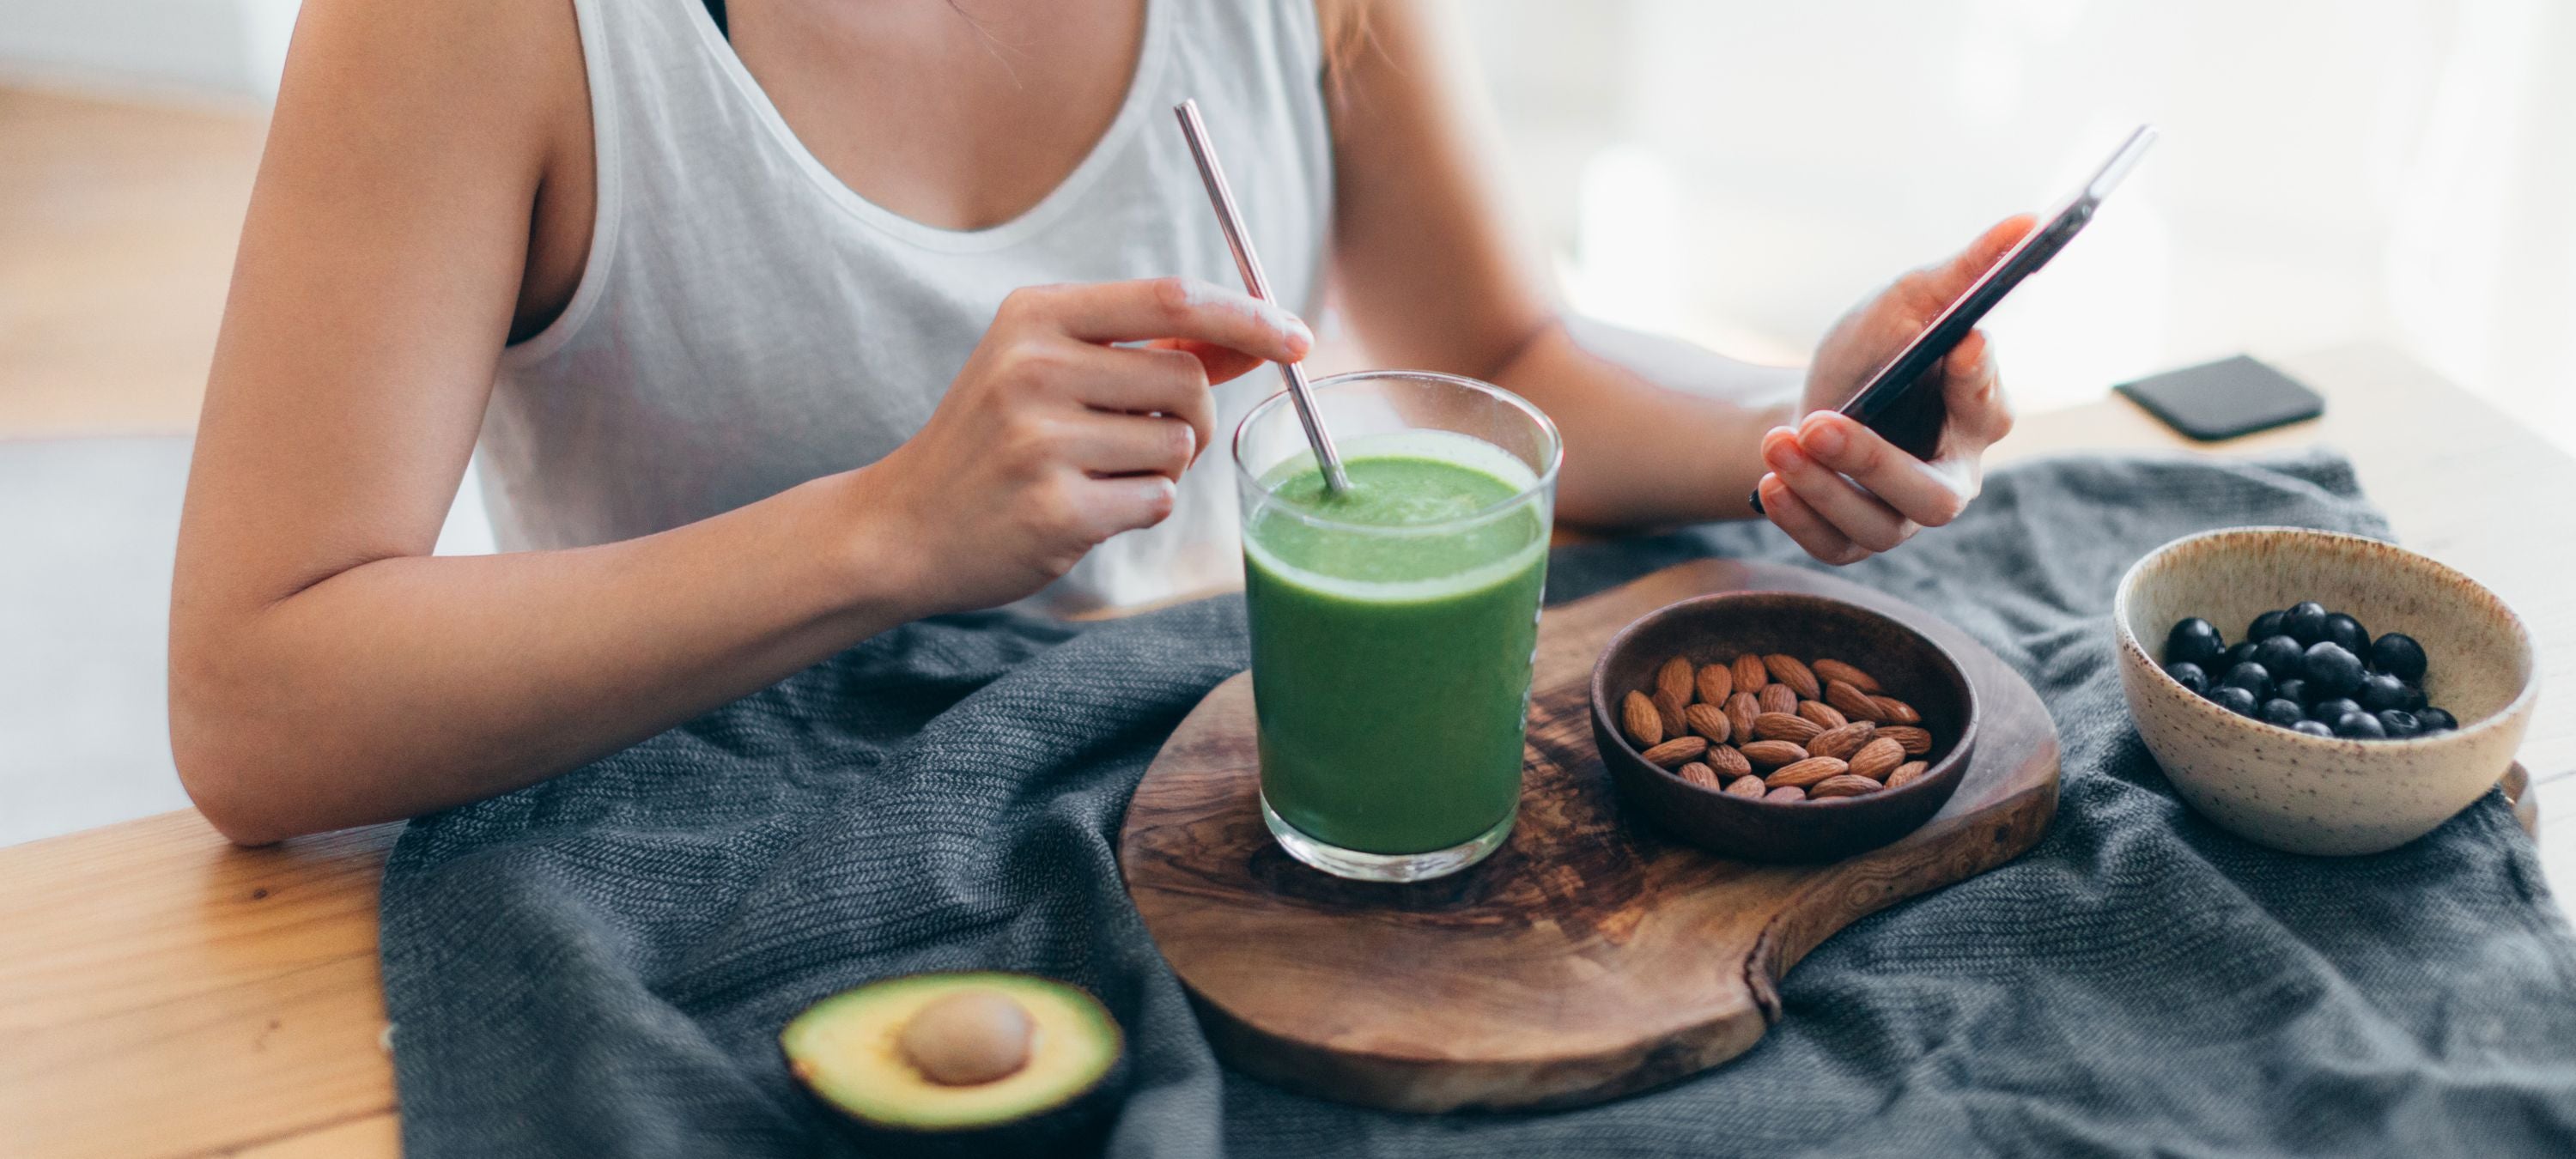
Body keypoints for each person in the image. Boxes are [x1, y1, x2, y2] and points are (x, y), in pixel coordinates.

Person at [171, 0, 2031, 845]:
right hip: (706, 875)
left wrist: (1789, 422)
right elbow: (257, 703)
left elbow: (1499, 357)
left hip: (1198, 813)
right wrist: (891, 529)